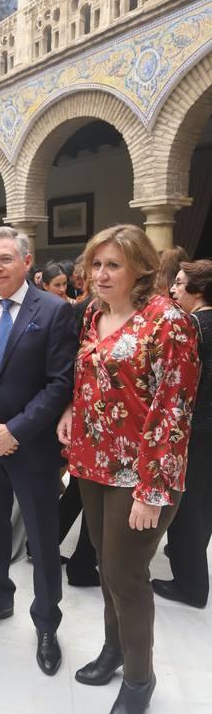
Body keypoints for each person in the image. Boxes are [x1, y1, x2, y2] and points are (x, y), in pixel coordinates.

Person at [57, 224, 200, 714]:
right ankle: (113, 651)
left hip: (140, 474)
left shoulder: (170, 322)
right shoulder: (94, 314)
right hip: (92, 461)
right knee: (103, 564)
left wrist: (151, 491)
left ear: (140, 267)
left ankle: (139, 679)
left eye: (112, 265)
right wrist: (72, 409)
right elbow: (90, 375)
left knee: (126, 575)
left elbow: (173, 411)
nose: (99, 274)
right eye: (95, 264)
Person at [0, 226, 77, 676]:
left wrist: (16, 431)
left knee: (43, 541)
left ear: (28, 262)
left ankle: (46, 622)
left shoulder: (55, 311)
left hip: (33, 448)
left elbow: (60, 382)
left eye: (5, 259)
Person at [152, 259, 212, 608]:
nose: (172, 290)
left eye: (178, 283)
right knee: (204, 501)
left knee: (185, 504)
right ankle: (191, 564)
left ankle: (190, 585)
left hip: (196, 428)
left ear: (198, 290)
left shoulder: (192, 326)